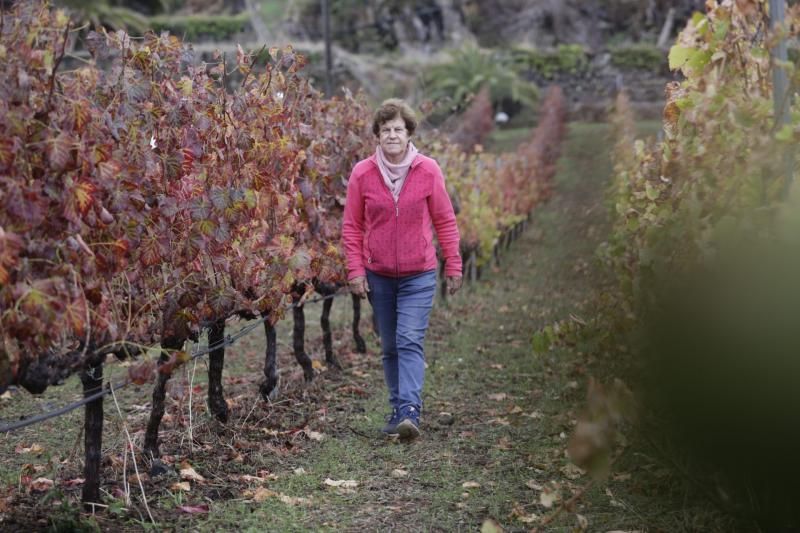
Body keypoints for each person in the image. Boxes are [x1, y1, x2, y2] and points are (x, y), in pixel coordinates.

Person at [342, 98, 463, 441]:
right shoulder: (362, 173)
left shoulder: (428, 170)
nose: (392, 135)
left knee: (409, 339)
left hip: (419, 273)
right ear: (377, 136)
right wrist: (355, 270)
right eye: (385, 130)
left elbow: (445, 220)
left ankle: (410, 409)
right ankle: (398, 409)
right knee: (390, 345)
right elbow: (351, 226)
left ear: (409, 133)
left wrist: (453, 263)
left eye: (398, 129)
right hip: (378, 273)